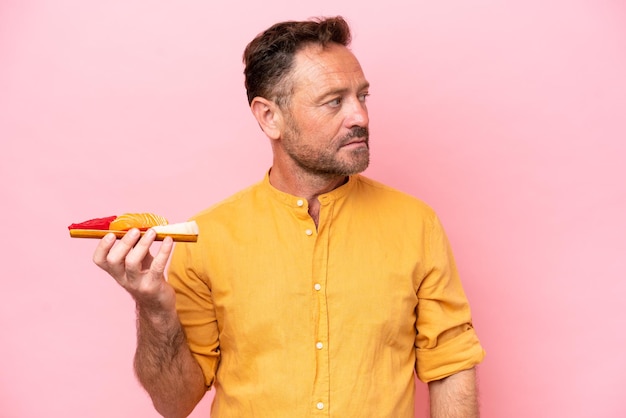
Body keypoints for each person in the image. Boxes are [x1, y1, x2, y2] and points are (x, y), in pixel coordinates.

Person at [93, 16, 485, 418]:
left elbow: (451, 365)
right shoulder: (207, 237)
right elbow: (174, 403)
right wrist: (155, 309)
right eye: (334, 101)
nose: (360, 117)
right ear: (269, 117)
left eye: (362, 97)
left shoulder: (416, 224)